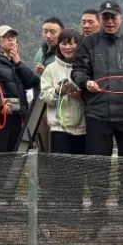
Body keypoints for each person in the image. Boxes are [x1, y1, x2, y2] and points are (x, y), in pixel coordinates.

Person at [70, 1, 123, 208]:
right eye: (105, 17)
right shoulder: (88, 44)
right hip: (97, 113)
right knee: (97, 163)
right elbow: (77, 70)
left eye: (113, 17)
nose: (110, 21)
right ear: (100, 19)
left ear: (121, 19)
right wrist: (86, 83)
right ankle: (98, 205)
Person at [40, 29, 87, 209]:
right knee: (60, 168)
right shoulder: (51, 68)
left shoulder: (85, 67)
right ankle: (60, 207)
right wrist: (58, 92)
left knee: (78, 169)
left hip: (83, 126)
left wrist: (79, 95)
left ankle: (76, 206)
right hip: (59, 127)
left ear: (79, 44)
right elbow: (44, 96)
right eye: (64, 43)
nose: (68, 47)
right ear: (59, 46)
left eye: (72, 43)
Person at [0, 25, 39, 153]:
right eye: (6, 37)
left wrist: (18, 62)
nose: (11, 40)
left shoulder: (16, 62)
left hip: (18, 114)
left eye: (13, 37)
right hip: (0, 114)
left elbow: (33, 82)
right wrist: (0, 105)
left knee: (13, 150)